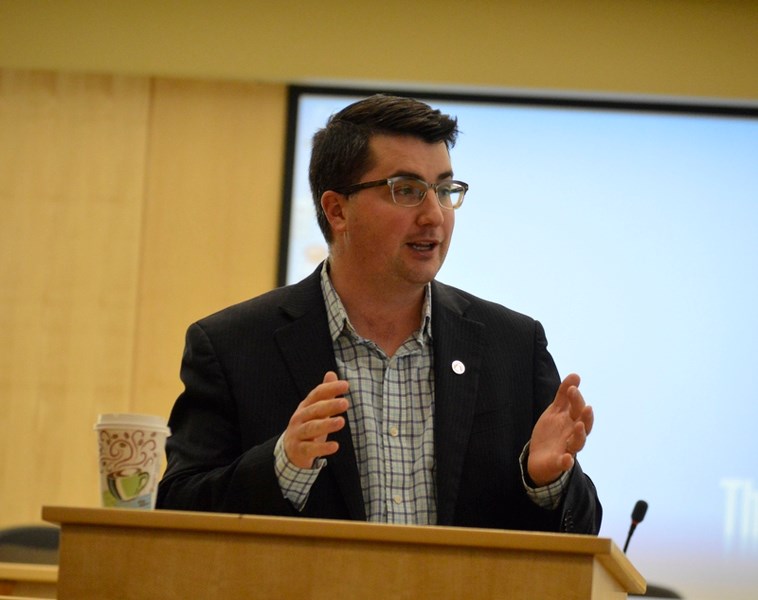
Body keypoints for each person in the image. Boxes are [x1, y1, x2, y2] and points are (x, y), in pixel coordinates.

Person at [156, 94, 601, 534]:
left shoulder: (512, 346)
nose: (435, 216)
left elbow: (579, 533)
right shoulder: (234, 346)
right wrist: (283, 463)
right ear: (337, 210)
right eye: (406, 190)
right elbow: (177, 509)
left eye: (445, 190)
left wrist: (546, 481)